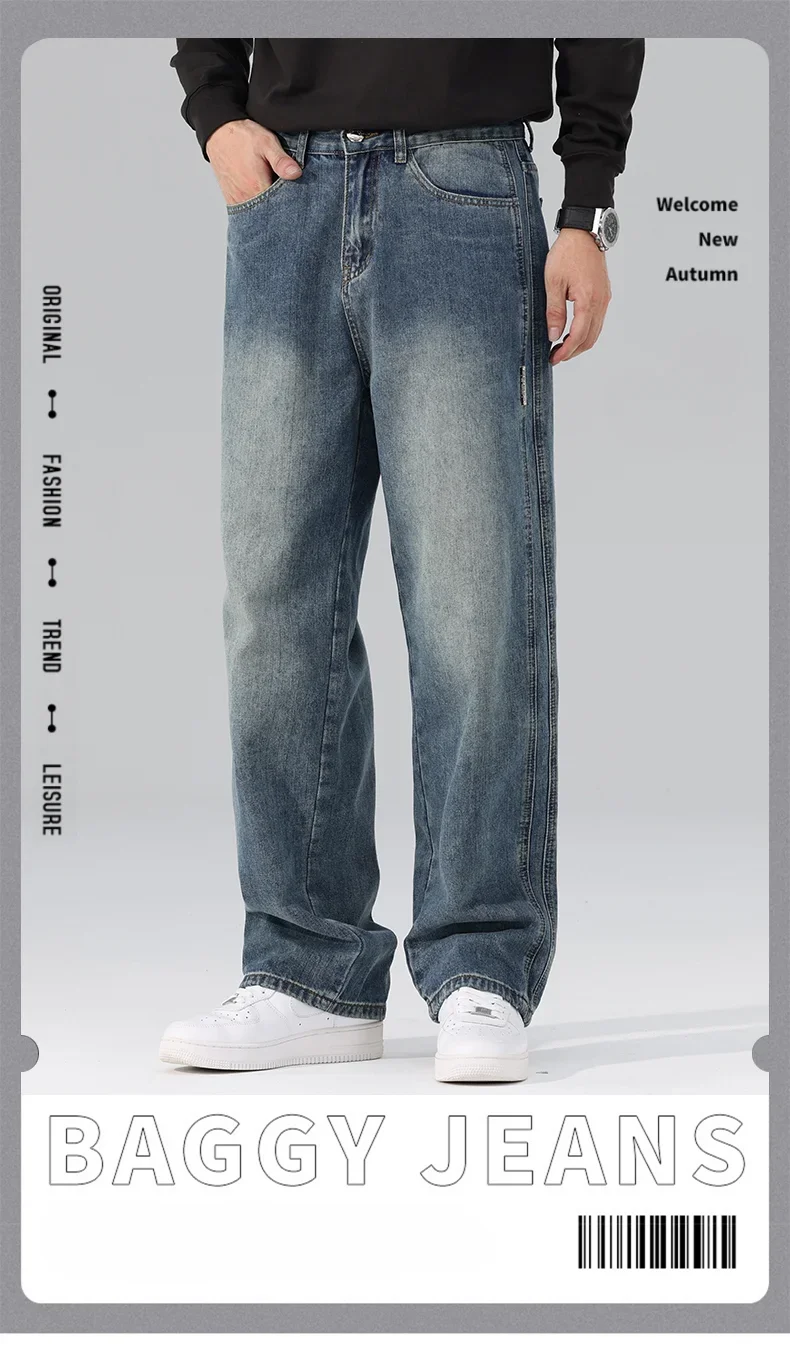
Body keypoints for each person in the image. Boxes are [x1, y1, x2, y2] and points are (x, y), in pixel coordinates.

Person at [160, 38, 644, 1081]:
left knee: (475, 599)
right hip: (286, 185)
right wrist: (215, 112)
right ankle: (307, 971)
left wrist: (586, 205)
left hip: (464, 182)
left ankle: (481, 964)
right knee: (273, 600)